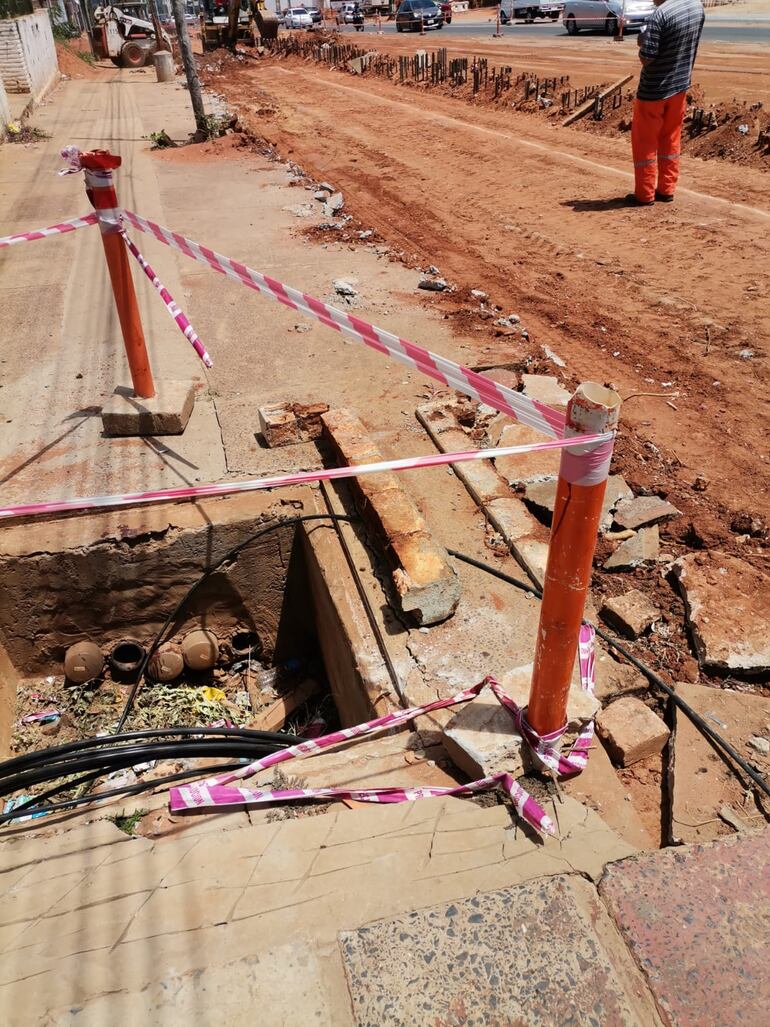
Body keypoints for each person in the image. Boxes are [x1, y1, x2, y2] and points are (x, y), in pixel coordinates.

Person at [629, 0, 705, 206]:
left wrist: (643, 42)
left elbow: (647, 56)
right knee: (670, 140)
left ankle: (644, 194)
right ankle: (666, 189)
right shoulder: (696, 6)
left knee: (645, 144)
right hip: (680, 86)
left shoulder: (660, 15)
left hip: (653, 91)